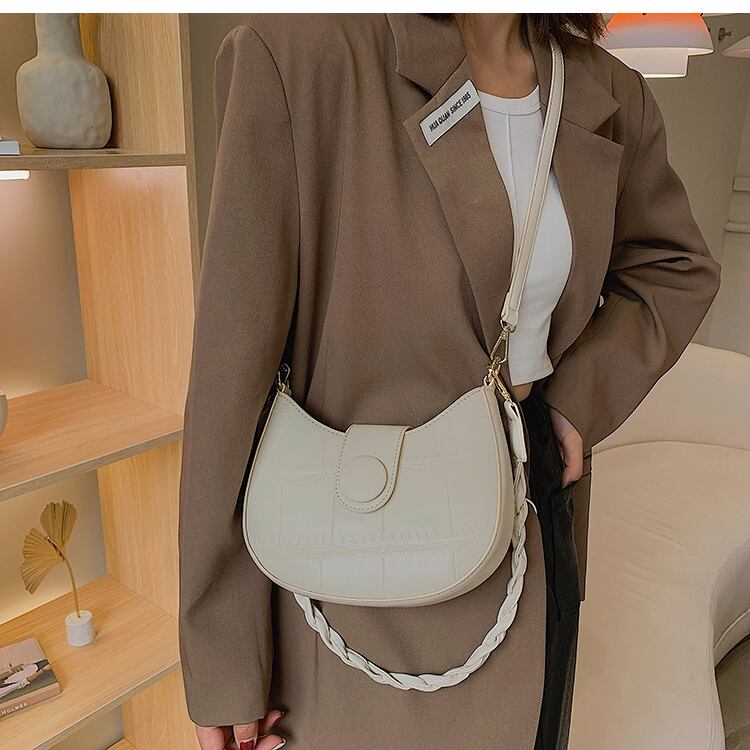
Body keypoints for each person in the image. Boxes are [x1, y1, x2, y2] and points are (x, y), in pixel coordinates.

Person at [178, 13, 721, 750]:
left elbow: (672, 267)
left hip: (535, 524)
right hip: (360, 565)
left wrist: (575, 403)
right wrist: (225, 662)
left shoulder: (606, 89)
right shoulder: (301, 57)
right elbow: (229, 377)